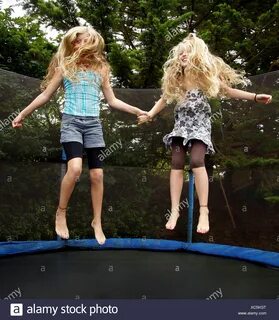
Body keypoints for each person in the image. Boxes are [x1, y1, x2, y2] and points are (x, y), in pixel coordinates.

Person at [12, 26, 147, 244]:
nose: (78, 45)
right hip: (71, 122)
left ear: (92, 42)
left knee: (97, 175)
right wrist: (22, 114)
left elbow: (112, 101)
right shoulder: (66, 66)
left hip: (93, 124)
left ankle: (97, 221)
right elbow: (46, 95)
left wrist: (137, 111)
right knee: (75, 169)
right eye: (75, 42)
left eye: (82, 40)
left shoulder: (101, 69)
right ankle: (61, 212)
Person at [138, 33, 272, 234]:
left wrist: (254, 97)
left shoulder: (203, 77)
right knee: (176, 163)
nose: (183, 55)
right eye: (181, 53)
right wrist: (149, 114)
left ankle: (203, 210)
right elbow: (164, 99)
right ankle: (174, 210)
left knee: (196, 162)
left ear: (197, 56)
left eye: (188, 52)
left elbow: (227, 91)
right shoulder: (177, 78)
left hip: (199, 127)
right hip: (181, 126)